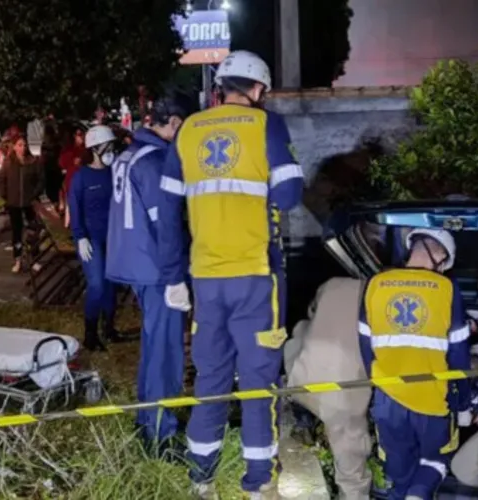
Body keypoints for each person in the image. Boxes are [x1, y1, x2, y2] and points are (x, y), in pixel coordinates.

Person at [156, 50, 306, 499]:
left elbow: (167, 212)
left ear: (220, 87)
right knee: (258, 382)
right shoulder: (267, 125)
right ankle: (257, 485)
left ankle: (201, 479)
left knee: (211, 379)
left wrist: (172, 277)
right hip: (256, 278)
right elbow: (290, 194)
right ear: (257, 89)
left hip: (205, 280)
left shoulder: (188, 132)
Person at [105, 93, 196, 454]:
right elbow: (167, 224)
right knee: (166, 351)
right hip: (158, 268)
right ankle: (161, 432)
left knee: (153, 346)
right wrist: (177, 276)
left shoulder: (129, 154)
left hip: (135, 264)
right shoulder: (158, 160)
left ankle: (146, 418)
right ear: (174, 123)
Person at [357, 228, 471, 500]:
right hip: (432, 400)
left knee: (397, 470)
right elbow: (459, 354)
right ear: (440, 255)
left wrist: (378, 385)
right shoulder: (446, 289)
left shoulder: (376, 283)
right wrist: (464, 402)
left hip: (387, 398)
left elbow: (365, 345)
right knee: (437, 460)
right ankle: (418, 496)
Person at [283, 277, 373, 500]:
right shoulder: (382, 298)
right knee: (350, 448)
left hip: (301, 379)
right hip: (342, 392)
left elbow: (311, 312)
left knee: (302, 330)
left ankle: (302, 417)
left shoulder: (333, 284)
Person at [68, 125, 121, 352]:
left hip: (114, 237)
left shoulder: (114, 171)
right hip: (92, 239)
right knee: (97, 285)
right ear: (95, 148)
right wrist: (80, 237)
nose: (111, 150)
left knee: (111, 286)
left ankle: (109, 328)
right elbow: (74, 207)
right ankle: (90, 334)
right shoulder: (81, 177)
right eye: (107, 146)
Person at [0, 135, 44, 273]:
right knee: (17, 233)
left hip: (30, 202)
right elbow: (1, 179)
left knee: (33, 231)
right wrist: (5, 195)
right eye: (19, 145)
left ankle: (34, 259)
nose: (22, 148)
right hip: (14, 203)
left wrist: (35, 194)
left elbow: (41, 179)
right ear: (14, 146)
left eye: (24, 145)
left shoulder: (33, 161)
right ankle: (17, 259)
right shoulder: (8, 162)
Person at [60, 126, 87, 217]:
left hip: (85, 185)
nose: (82, 137)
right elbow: (62, 164)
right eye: (79, 134)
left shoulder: (88, 149)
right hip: (71, 184)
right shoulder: (69, 150)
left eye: (83, 134)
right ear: (74, 136)